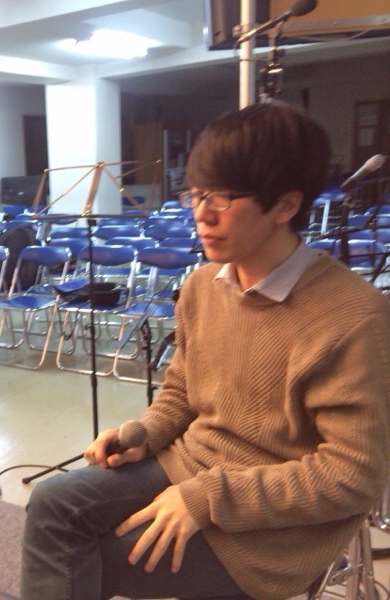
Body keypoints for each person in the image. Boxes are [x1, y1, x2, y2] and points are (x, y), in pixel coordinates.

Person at [20, 102, 390, 600]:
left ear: (285, 205)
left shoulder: (353, 315)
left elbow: (353, 476)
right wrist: (144, 434)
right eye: (196, 194)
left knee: (84, 557)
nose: (201, 213)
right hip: (190, 463)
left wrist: (205, 499)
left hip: (275, 530)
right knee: (53, 506)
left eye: (223, 197)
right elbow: (181, 391)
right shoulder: (200, 285)